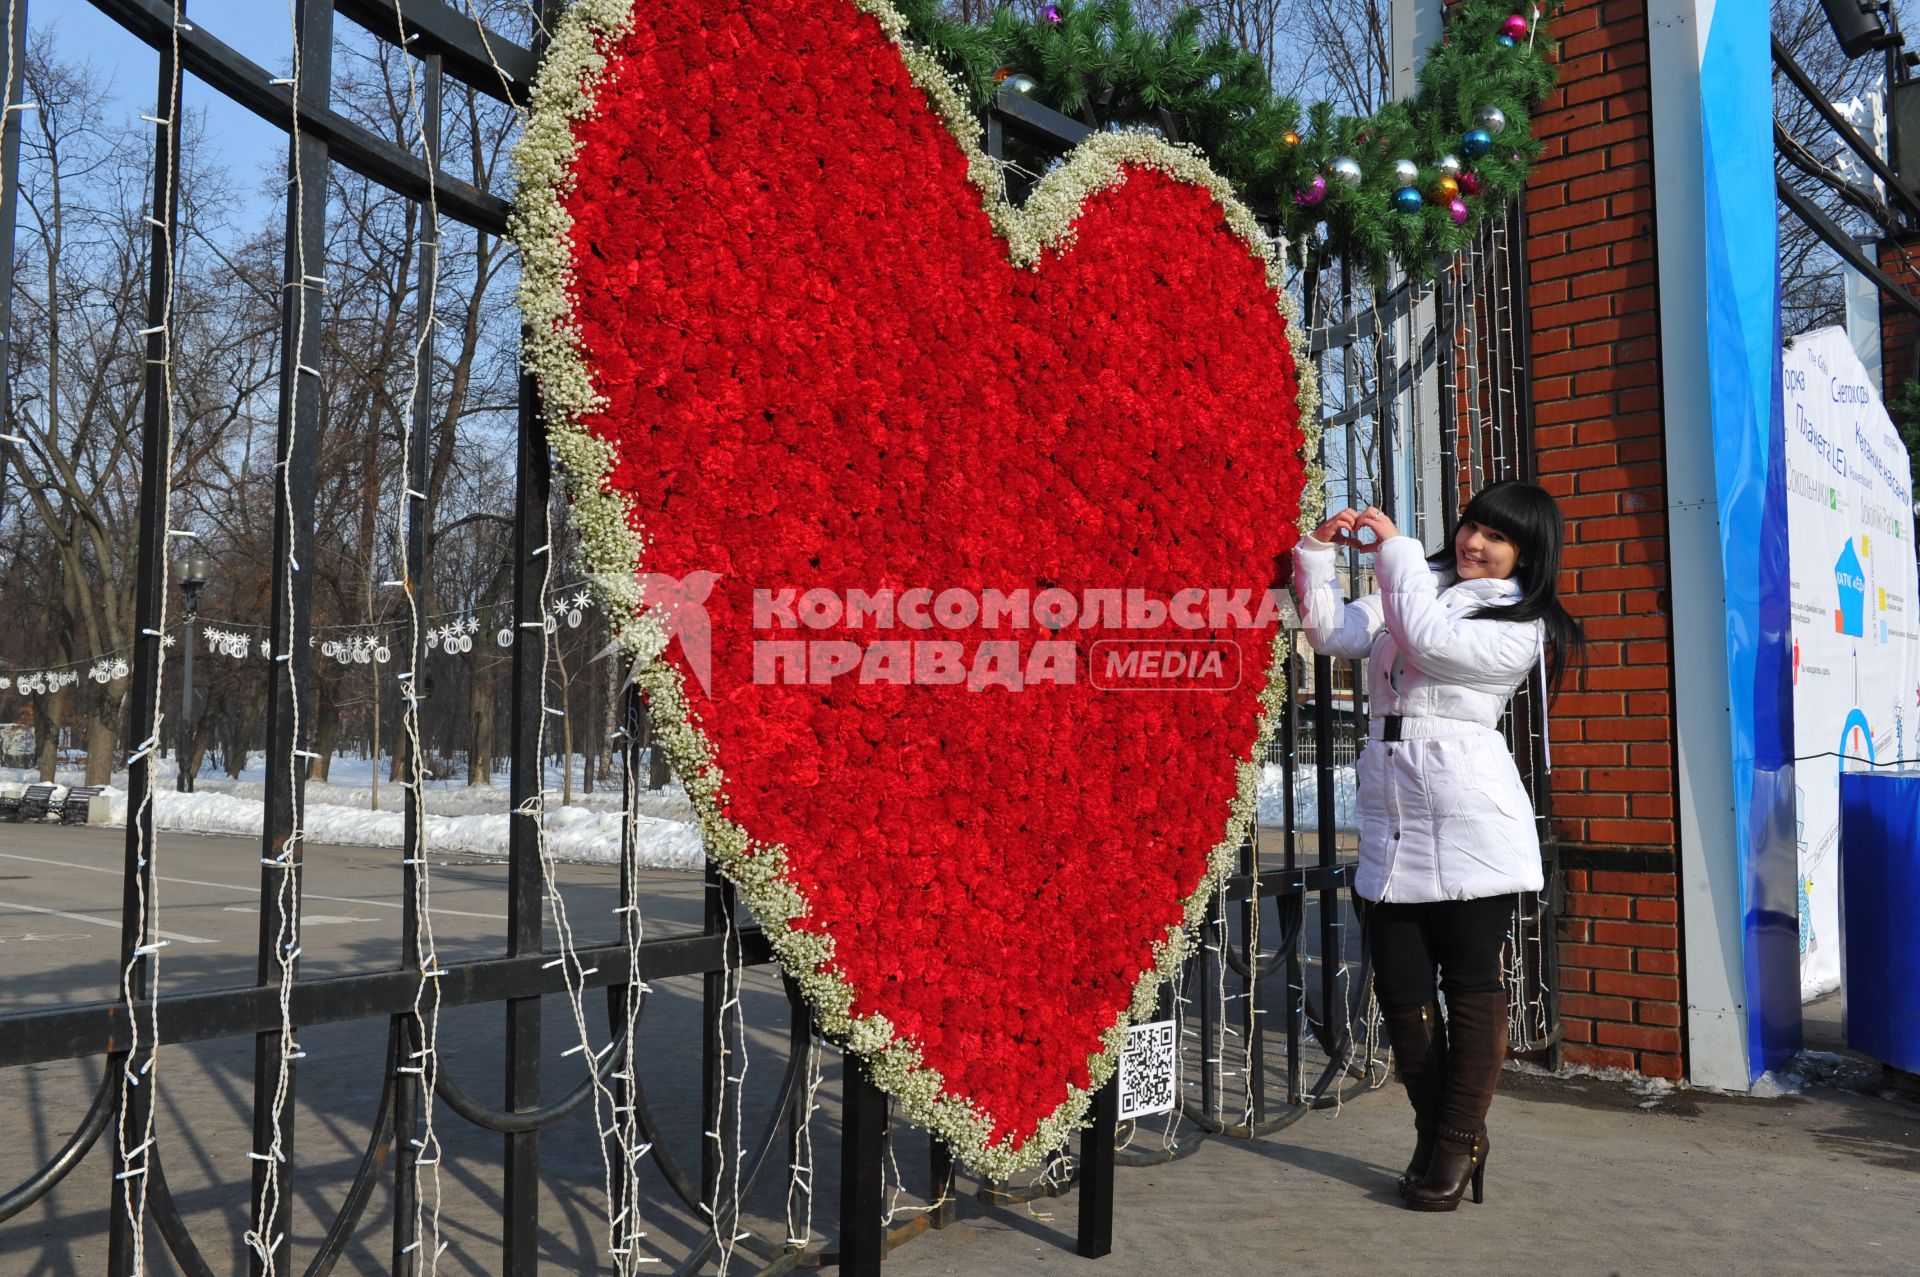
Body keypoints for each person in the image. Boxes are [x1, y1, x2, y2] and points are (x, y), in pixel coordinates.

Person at [1289, 480, 1584, 1212]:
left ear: (1527, 553)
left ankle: (1454, 1140)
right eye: (1472, 525)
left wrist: (1394, 551)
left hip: (1468, 817)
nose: (1474, 541)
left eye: (1496, 535)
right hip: (1394, 817)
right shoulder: (1425, 584)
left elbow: (1429, 642)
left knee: (1471, 985)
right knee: (1401, 986)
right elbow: (1332, 635)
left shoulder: (1520, 619)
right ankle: (1444, 1132)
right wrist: (1318, 554)